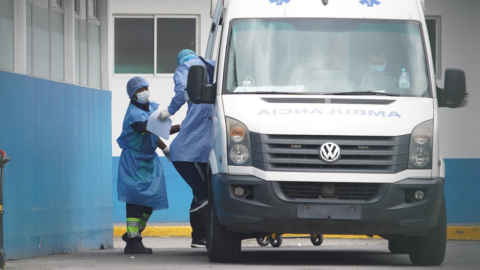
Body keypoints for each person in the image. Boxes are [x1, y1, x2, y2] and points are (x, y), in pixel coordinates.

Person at [158, 49, 216, 247]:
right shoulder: (213, 65)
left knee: (201, 193)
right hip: (205, 143)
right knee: (203, 194)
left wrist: (169, 111)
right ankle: (201, 235)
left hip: (193, 144)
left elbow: (182, 91)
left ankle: (201, 235)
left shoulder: (185, 67)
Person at [117, 76, 180, 254]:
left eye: (145, 88)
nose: (144, 92)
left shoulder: (148, 108)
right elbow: (154, 128)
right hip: (134, 162)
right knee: (136, 200)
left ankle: (133, 234)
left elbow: (152, 134)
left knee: (150, 201)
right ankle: (133, 242)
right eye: (139, 90)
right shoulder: (134, 115)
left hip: (149, 160)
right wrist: (184, 126)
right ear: (132, 94)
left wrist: (164, 148)